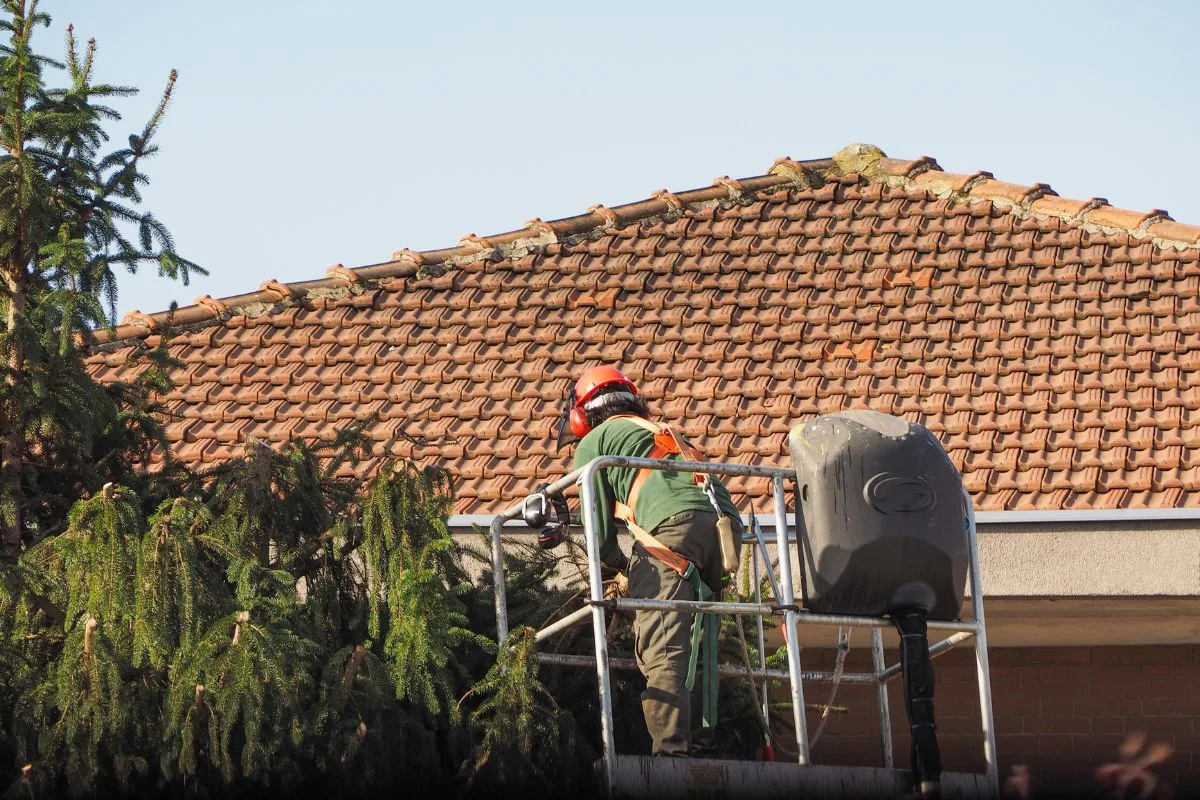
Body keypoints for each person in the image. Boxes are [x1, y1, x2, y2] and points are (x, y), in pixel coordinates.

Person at [560, 365, 742, 757]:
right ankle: (703, 744)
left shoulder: (595, 441)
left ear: (581, 414)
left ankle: (672, 752)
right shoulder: (661, 431)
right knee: (701, 638)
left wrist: (622, 566)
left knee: (663, 646)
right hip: (725, 527)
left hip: (674, 531)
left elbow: (599, 534)